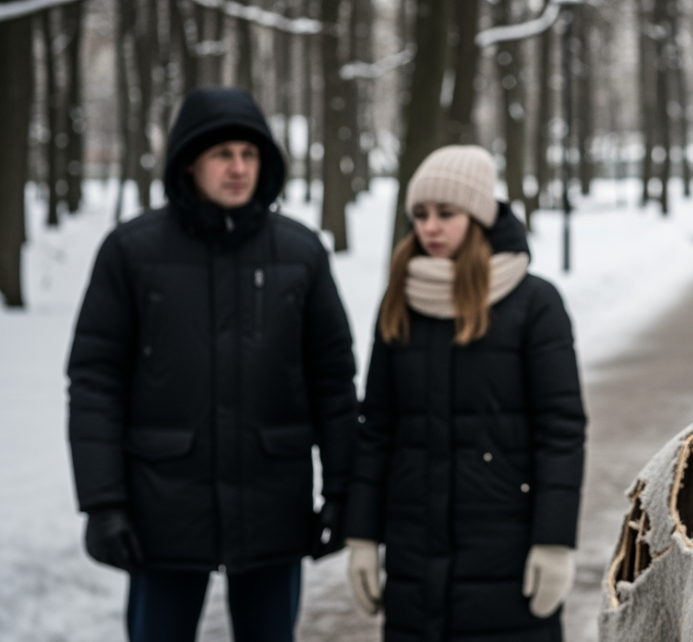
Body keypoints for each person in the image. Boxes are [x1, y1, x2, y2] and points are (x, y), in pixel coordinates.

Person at [66, 87, 358, 641]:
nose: (238, 168)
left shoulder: (300, 254)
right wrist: (103, 503)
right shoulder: (131, 252)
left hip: (273, 505)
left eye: (249, 155)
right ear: (190, 161)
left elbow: (332, 380)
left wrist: (343, 490)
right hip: (163, 511)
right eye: (223, 154)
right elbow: (95, 381)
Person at [345, 145, 586, 641]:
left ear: (477, 216)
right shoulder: (401, 299)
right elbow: (377, 429)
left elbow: (561, 430)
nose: (429, 226)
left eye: (445, 213)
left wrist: (554, 542)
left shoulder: (534, 304)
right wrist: (363, 535)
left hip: (506, 549)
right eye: (420, 215)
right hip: (414, 552)